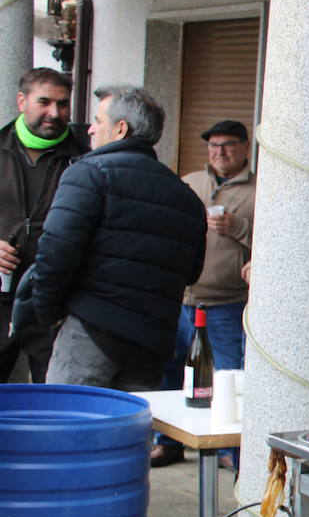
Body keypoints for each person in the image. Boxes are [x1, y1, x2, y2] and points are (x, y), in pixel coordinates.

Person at [10, 85, 205, 391]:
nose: (90, 129)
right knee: (129, 423)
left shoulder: (89, 173)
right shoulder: (187, 197)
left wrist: (46, 314)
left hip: (90, 332)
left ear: (120, 129)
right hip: (152, 342)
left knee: (70, 419)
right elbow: (191, 272)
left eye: (98, 121)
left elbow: (56, 252)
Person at [150, 120, 255, 468]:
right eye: (213, 145)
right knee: (170, 373)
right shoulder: (190, 183)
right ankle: (167, 442)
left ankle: (227, 449)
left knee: (227, 379)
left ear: (245, 147)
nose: (219, 152)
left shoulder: (261, 190)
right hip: (181, 299)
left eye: (228, 144)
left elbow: (278, 242)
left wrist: (239, 228)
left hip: (228, 303)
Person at [0, 68, 88, 382]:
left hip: (53, 302)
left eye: (62, 104)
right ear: (21, 101)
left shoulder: (85, 161)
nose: (55, 112)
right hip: (1, 295)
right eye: (44, 102)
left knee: (52, 395)